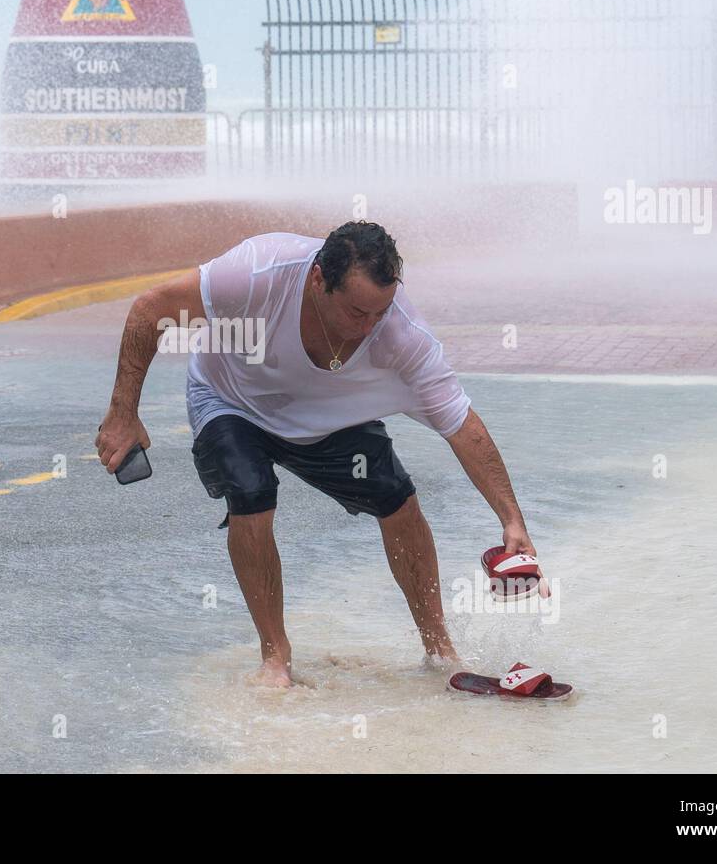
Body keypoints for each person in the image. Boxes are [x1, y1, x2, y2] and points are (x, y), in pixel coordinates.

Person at [96, 221, 535, 687]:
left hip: (327, 415)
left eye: (379, 312)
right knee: (251, 493)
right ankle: (275, 658)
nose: (368, 327)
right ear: (318, 279)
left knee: (397, 499)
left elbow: (463, 426)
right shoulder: (256, 272)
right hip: (231, 400)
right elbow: (150, 310)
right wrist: (124, 412)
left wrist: (511, 520)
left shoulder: (402, 334)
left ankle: (438, 646)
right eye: (355, 311)